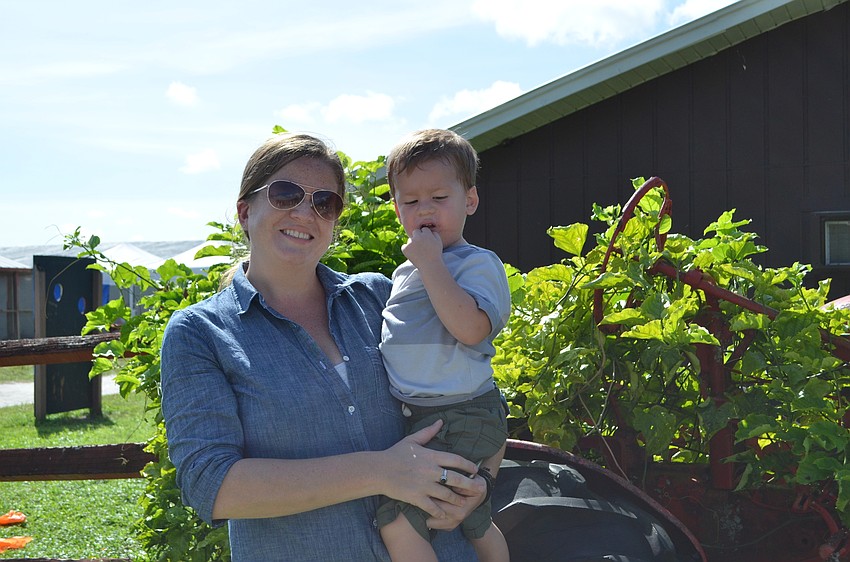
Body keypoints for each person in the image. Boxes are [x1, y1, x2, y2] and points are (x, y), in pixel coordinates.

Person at [160, 132, 491, 561]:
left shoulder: (380, 298)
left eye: (324, 202)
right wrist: (380, 471)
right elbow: (212, 485)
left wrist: (481, 484)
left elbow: (472, 387)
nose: (305, 212)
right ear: (244, 211)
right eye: (285, 194)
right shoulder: (199, 333)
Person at [376, 129, 511, 562]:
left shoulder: (477, 264)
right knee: (473, 518)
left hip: (463, 413)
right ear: (397, 209)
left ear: (469, 201)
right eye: (411, 201)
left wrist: (432, 263)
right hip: (426, 416)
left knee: (399, 519)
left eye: (438, 197)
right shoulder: (405, 272)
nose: (425, 210)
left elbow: (470, 330)